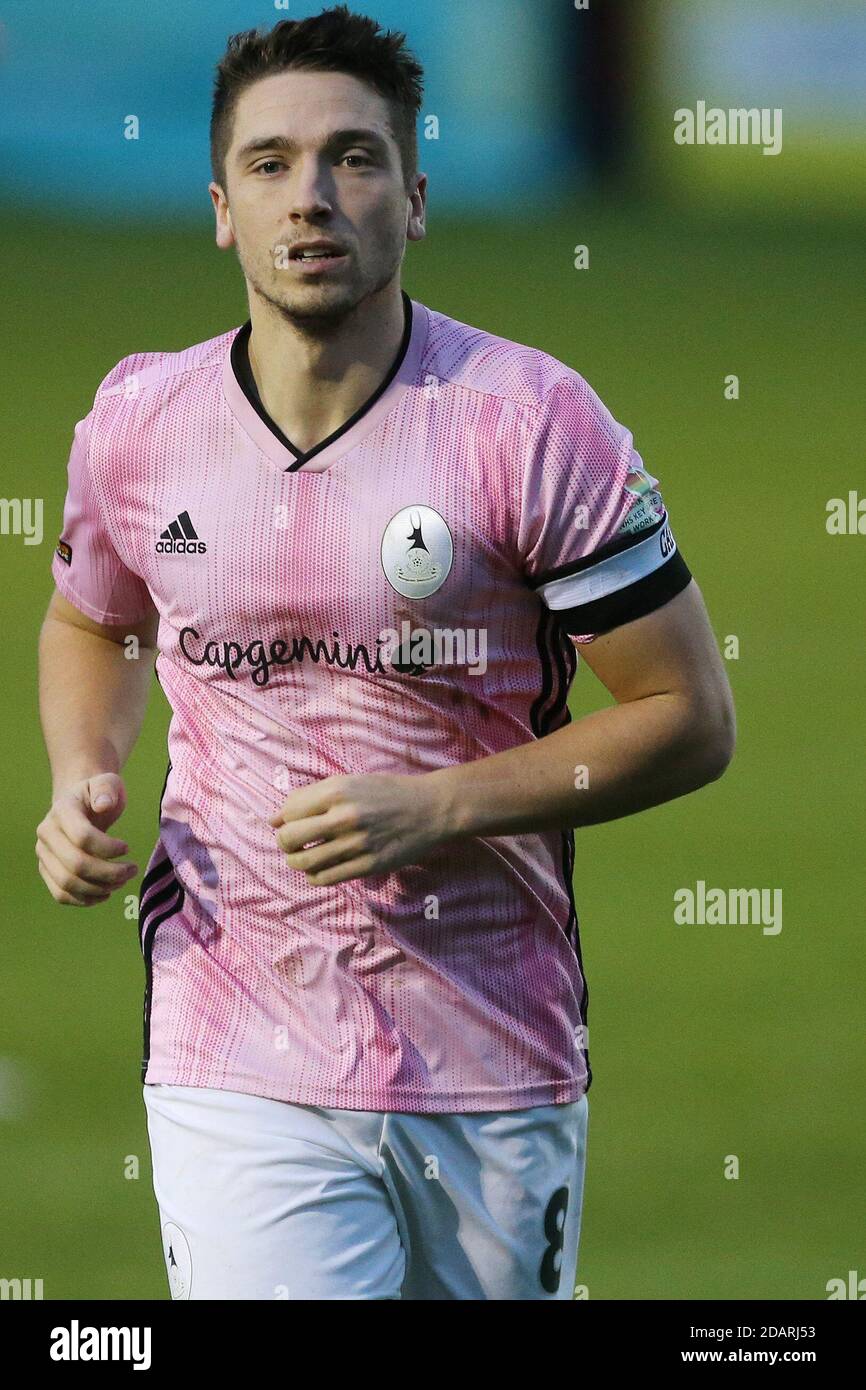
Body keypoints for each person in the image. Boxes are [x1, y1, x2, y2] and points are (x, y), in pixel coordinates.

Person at [36, 5, 735, 1300]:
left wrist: (438, 805)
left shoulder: (530, 426)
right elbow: (94, 616)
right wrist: (83, 770)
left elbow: (686, 714)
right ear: (218, 208)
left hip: (490, 1041)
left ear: (414, 199)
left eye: (352, 159)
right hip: (230, 1024)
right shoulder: (138, 422)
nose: (311, 197)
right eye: (270, 163)